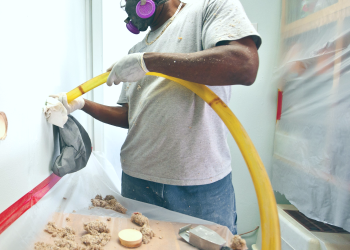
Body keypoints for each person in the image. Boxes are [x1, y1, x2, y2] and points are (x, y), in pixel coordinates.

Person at [49, 0, 261, 235]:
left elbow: (244, 64)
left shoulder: (208, 8)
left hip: (199, 185)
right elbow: (131, 117)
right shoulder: (136, 51)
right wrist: (82, 104)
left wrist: (148, 63)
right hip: (138, 181)